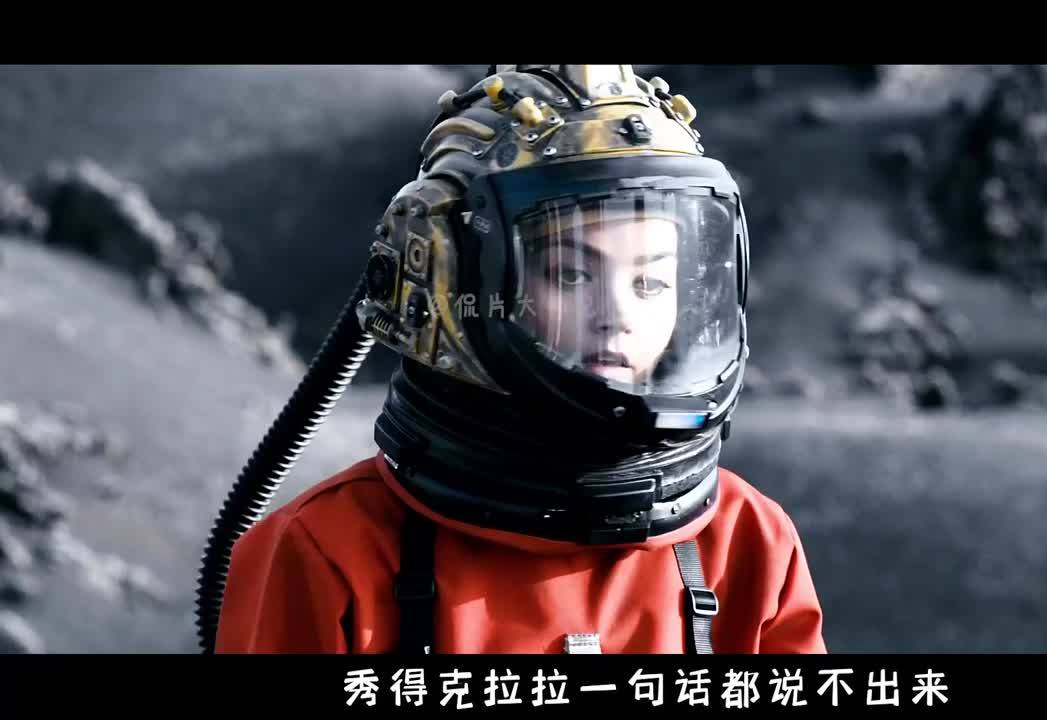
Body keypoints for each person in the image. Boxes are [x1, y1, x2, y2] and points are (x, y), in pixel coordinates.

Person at [210, 65, 826, 655]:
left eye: (650, 283)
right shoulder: (327, 554)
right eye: (571, 274)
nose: (617, 315)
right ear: (453, 284)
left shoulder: (746, 541)